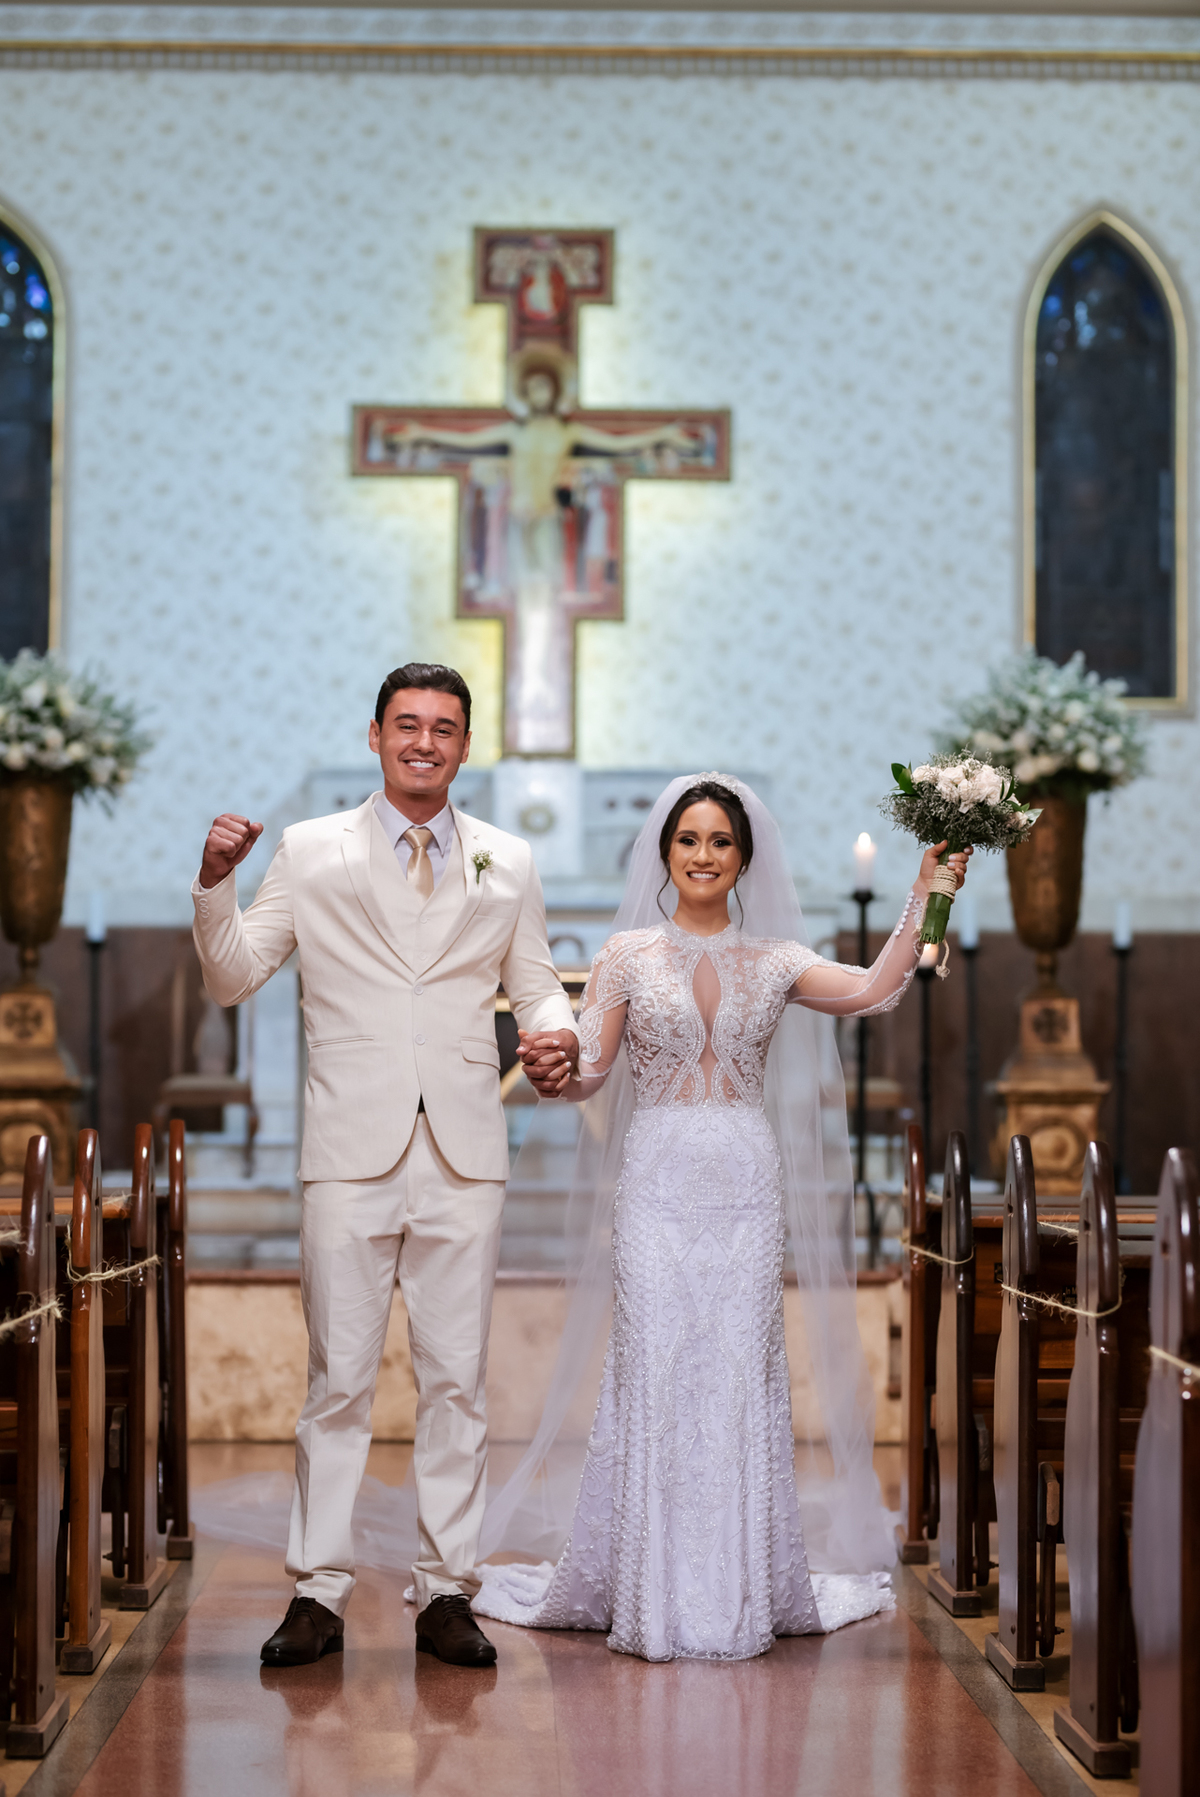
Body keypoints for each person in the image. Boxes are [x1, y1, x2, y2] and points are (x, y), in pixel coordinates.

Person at [474, 775, 971, 1662]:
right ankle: (652, 1591)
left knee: (739, 1370)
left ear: (744, 858)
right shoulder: (627, 954)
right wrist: (555, 1070)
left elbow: (870, 991)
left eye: (720, 842)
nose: (703, 855)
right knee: (657, 1369)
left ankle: (734, 1586)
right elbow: (591, 1073)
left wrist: (924, 893)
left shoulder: (777, 958)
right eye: (688, 840)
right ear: (665, 852)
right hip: (657, 1180)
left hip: (743, 1183)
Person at [191, 663, 579, 1670]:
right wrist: (213, 881)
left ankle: (447, 1590)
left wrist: (555, 1036)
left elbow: (536, 987)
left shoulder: (508, 858)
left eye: (444, 727)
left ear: (463, 744)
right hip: (347, 1150)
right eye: (407, 725)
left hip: (462, 1150)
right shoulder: (312, 849)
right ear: (375, 737)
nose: (425, 742)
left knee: (458, 1383)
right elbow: (234, 976)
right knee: (338, 1382)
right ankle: (317, 1592)